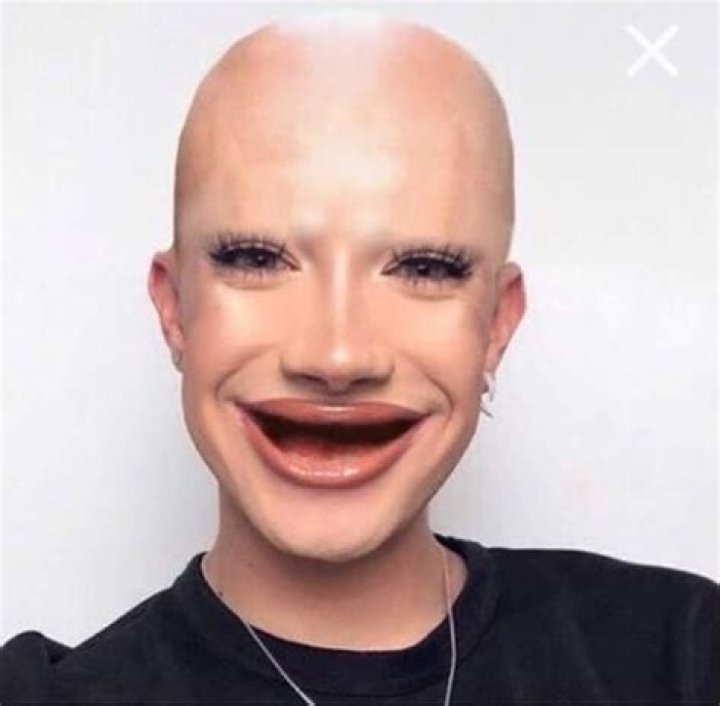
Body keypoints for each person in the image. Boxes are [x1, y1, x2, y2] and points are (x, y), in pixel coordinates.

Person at [2, 14, 718, 705]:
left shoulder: (682, 655)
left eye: (425, 268)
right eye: (256, 258)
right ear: (173, 306)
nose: (337, 356)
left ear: (496, 325)